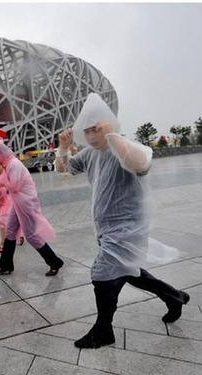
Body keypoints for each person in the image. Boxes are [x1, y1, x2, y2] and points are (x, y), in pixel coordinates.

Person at [55, 92, 189, 349]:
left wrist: (112, 136)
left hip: (128, 226)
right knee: (127, 271)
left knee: (102, 274)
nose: (92, 136)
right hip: (106, 227)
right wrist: (62, 147)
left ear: (108, 125)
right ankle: (175, 296)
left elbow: (141, 164)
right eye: (88, 131)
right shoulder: (91, 154)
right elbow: (65, 169)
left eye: (97, 129)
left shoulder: (124, 146)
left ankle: (103, 330)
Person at [0, 141, 64, 276]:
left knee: (31, 235)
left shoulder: (14, 165)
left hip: (26, 203)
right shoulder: (8, 165)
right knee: (10, 232)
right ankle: (5, 265)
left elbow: (14, 186)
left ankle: (55, 262)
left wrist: (1, 183)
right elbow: (5, 182)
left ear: (1, 154)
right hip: (17, 203)